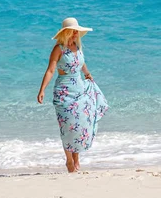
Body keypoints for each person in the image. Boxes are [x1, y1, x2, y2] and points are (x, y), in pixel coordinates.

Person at [37, 17, 108, 173]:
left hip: (80, 90)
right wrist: (42, 90)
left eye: (77, 31)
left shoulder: (77, 46)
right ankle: (69, 160)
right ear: (66, 32)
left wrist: (88, 74)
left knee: (81, 125)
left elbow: (81, 63)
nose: (76, 34)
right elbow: (50, 70)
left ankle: (77, 158)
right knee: (67, 127)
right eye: (73, 31)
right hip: (63, 92)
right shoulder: (59, 49)